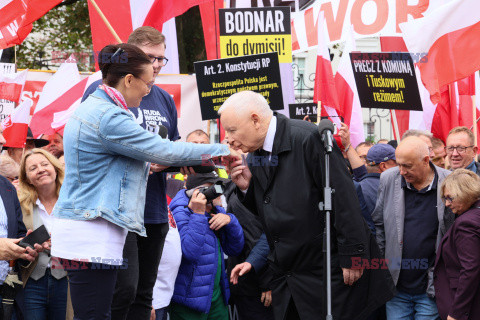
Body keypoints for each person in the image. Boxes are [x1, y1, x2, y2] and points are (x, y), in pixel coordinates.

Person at [50, 43, 229, 320]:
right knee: (96, 315)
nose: (149, 91)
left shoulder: (101, 109)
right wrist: (223, 151)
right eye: (147, 83)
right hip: (90, 232)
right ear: (129, 80)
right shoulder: (108, 115)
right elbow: (165, 150)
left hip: (94, 229)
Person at [221, 91, 395, 320]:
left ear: (255, 120)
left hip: (328, 272)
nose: (228, 139)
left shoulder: (307, 138)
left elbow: (344, 197)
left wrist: (354, 255)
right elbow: (270, 213)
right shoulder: (255, 156)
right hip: (290, 277)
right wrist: (246, 188)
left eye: (232, 130)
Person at [81, 26, 184, 320]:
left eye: (161, 59)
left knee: (143, 293)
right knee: (121, 289)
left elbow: (173, 146)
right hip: (115, 209)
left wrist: (168, 160)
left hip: (153, 210)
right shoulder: (101, 92)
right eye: (150, 57)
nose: (156, 65)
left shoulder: (164, 98)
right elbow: (90, 142)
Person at [372, 136, 452, 319]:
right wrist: (383, 269)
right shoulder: (388, 179)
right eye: (398, 164)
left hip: (431, 287)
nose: (401, 171)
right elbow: (379, 225)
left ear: (426, 160)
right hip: (396, 287)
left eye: (407, 166)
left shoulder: (448, 181)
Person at [169, 173, 244, 319]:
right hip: (189, 302)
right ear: (196, 192)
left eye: (218, 187)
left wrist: (230, 220)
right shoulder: (180, 211)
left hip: (216, 298)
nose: (217, 192)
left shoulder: (215, 211)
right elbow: (189, 253)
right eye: (212, 189)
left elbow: (235, 249)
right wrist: (197, 214)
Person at [17, 148, 68, 319]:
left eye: (45, 164)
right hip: (32, 281)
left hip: (68, 280)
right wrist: (31, 242)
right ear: (27, 179)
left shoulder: (72, 202)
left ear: (55, 168)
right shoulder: (20, 204)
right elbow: (14, 238)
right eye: (33, 168)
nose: (40, 169)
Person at [435, 169, 480, 320]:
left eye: (450, 198)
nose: (447, 204)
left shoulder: (465, 223)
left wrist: (456, 313)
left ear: (466, 193)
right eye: (444, 198)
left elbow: (470, 270)